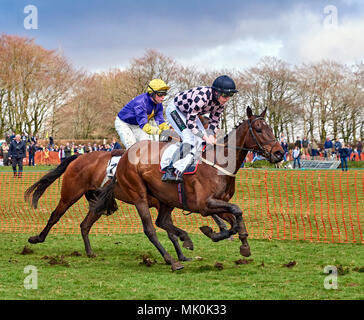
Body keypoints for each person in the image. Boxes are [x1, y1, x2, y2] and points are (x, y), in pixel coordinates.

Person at [162, 75, 238, 182]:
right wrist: (205, 136)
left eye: (230, 95)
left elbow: (214, 121)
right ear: (216, 92)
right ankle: (169, 171)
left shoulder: (221, 104)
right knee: (189, 139)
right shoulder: (201, 98)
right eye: (225, 95)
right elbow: (190, 124)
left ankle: (189, 164)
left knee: (201, 140)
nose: (227, 99)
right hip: (175, 110)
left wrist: (210, 135)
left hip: (190, 113)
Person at [115, 79, 171, 149]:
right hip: (123, 123)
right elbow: (145, 127)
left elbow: (160, 122)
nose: (163, 97)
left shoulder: (158, 104)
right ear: (152, 93)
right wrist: (160, 132)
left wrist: (168, 131)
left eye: (165, 94)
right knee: (132, 147)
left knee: (147, 147)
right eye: (160, 94)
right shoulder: (140, 103)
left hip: (137, 125)